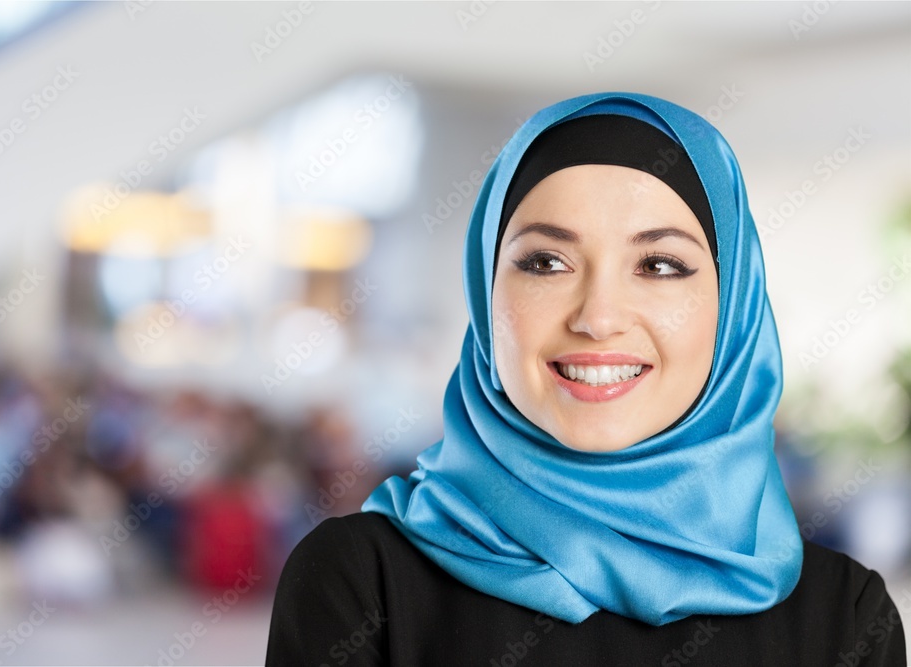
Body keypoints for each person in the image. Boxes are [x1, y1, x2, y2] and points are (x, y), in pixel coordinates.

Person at [265, 92, 907, 665]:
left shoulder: (844, 620)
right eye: (546, 261)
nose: (598, 319)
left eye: (658, 265)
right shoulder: (360, 583)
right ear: (486, 299)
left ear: (731, 307)